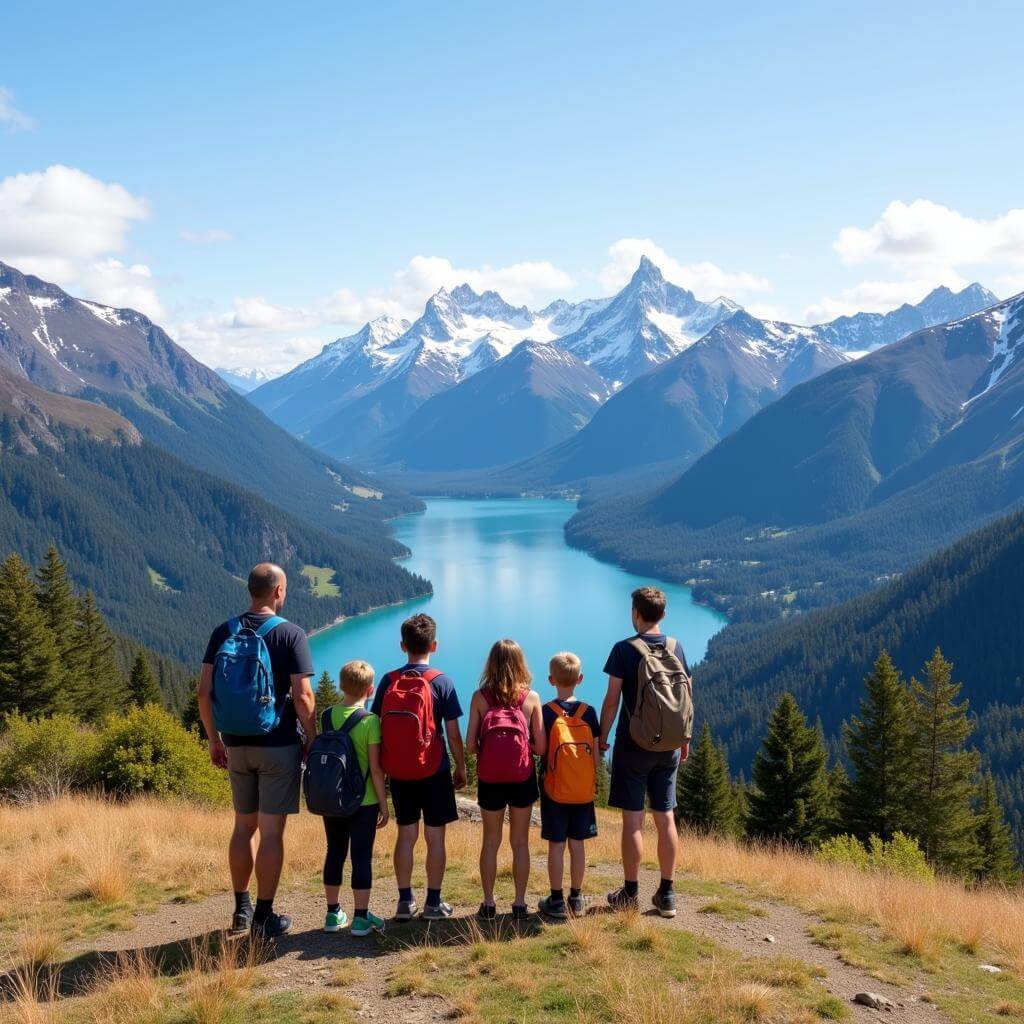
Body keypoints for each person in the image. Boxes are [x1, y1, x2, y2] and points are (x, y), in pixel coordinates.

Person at [198, 563, 316, 938]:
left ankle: (241, 910)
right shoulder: (290, 634)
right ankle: (265, 916)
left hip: (235, 744)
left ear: (251, 590)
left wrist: (214, 740)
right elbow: (303, 696)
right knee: (271, 833)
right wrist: (311, 739)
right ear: (278, 591)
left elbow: (204, 692)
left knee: (242, 826)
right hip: (277, 745)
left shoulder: (223, 631)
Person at [599, 586, 691, 918]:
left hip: (633, 744)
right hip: (668, 745)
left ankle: (630, 892)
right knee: (665, 817)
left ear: (635, 613)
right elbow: (685, 696)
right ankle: (667, 894)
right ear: (663, 615)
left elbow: (612, 700)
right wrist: (684, 738)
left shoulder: (623, 650)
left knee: (633, 820)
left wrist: (602, 737)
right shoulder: (675, 646)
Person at [372, 613, 466, 921]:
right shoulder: (442, 682)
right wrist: (460, 766)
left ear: (403, 646)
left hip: (399, 770)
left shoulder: (388, 681)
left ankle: (404, 901)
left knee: (406, 834)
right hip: (433, 768)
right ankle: (433, 903)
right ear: (434, 646)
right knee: (434, 836)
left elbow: (377, 727)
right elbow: (452, 733)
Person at [466, 639, 545, 921]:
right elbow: (541, 748)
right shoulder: (532, 698)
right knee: (520, 842)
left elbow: (470, 746)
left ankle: (488, 904)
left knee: (490, 842)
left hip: (490, 779)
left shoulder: (480, 698)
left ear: (491, 664)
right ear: (520, 664)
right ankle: (520, 904)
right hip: (522, 778)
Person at [321, 660, 389, 936]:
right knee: (361, 856)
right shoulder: (371, 721)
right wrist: (384, 804)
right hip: (365, 801)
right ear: (370, 689)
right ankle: (361, 919)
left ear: (340, 685)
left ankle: (333, 913)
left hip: (333, 798)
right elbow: (375, 768)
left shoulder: (326, 716)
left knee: (335, 852)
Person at [537, 652, 600, 919]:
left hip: (554, 792)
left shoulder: (546, 713)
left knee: (556, 845)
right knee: (578, 844)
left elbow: (540, 750)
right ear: (580, 679)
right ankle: (576, 897)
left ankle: (555, 899)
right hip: (583, 791)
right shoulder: (589, 712)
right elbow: (596, 757)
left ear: (551, 680)